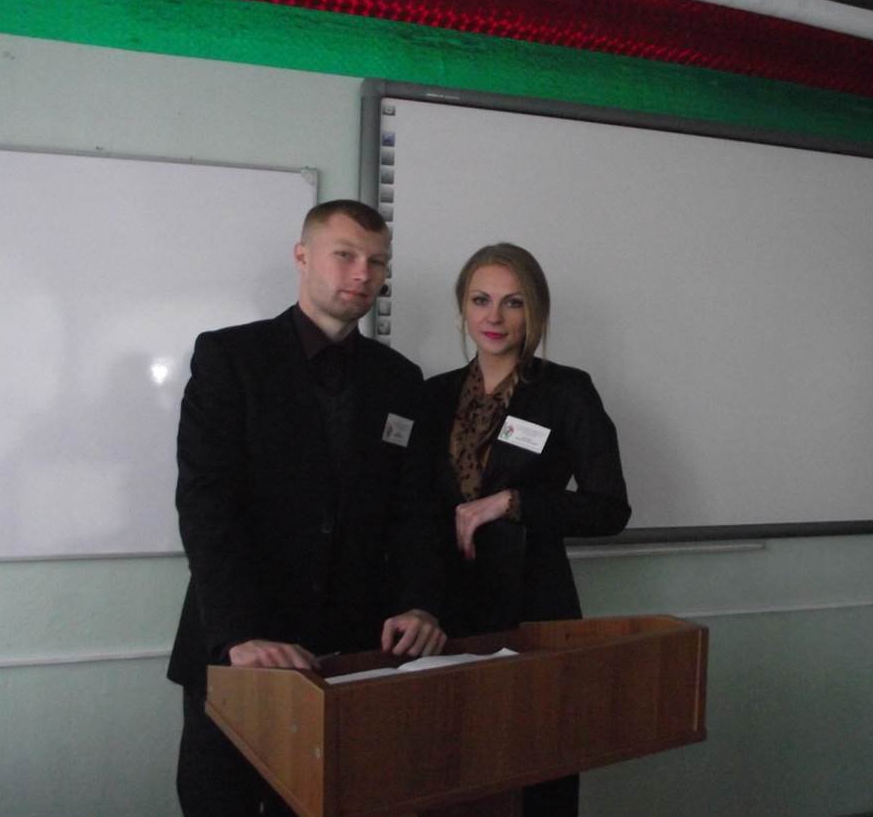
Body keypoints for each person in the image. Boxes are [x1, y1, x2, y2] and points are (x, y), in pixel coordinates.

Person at [168, 200, 447, 816]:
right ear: (302, 256)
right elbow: (207, 502)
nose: (363, 274)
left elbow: (416, 508)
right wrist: (241, 634)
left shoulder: (400, 379)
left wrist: (420, 601)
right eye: (345, 255)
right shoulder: (230, 357)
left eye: (377, 262)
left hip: (355, 653)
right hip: (242, 650)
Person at [401, 242, 631, 815]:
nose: (495, 317)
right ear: (462, 307)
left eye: (513, 302)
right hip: (444, 615)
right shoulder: (432, 395)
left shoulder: (565, 391)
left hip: (533, 610)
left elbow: (609, 508)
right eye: (481, 300)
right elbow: (413, 508)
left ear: (536, 312)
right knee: (451, 779)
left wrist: (512, 502)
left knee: (540, 774)